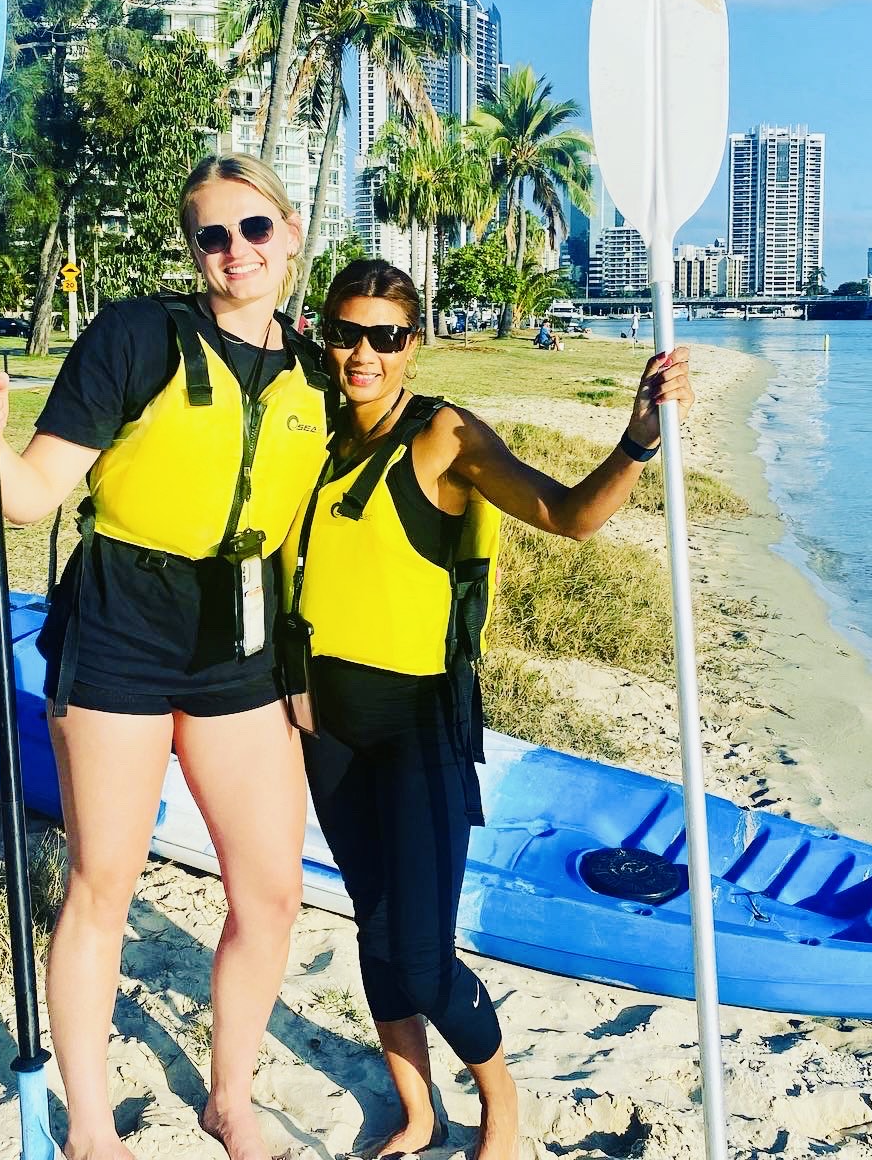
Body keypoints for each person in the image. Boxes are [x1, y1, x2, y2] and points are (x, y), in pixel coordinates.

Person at [0, 154, 331, 1160]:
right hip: (119, 630)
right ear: (192, 250)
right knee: (103, 881)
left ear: (290, 233)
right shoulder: (136, 336)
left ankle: (229, 1098)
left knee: (272, 893)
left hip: (238, 644)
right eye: (211, 235)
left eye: (252, 229)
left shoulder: (322, 366)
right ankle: (88, 1126)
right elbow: (32, 496)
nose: (234, 252)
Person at [281, 260, 694, 1160]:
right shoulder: (307, 433)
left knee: (423, 954)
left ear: (412, 346)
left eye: (385, 337)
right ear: (326, 336)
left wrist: (637, 441)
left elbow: (572, 515)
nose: (363, 353)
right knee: (374, 924)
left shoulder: (445, 437)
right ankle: (418, 1110)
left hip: (418, 724)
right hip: (330, 728)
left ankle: (501, 1108)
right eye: (346, 332)